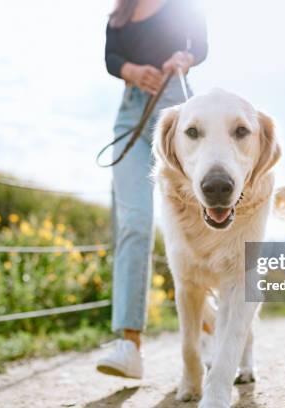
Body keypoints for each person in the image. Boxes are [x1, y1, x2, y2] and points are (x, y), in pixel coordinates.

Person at [96, 0, 208, 379]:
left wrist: (184, 57)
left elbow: (201, 45)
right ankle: (129, 344)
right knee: (135, 220)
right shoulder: (120, 13)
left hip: (177, 108)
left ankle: (208, 324)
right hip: (130, 113)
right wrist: (131, 69)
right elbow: (111, 57)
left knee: (194, 216)